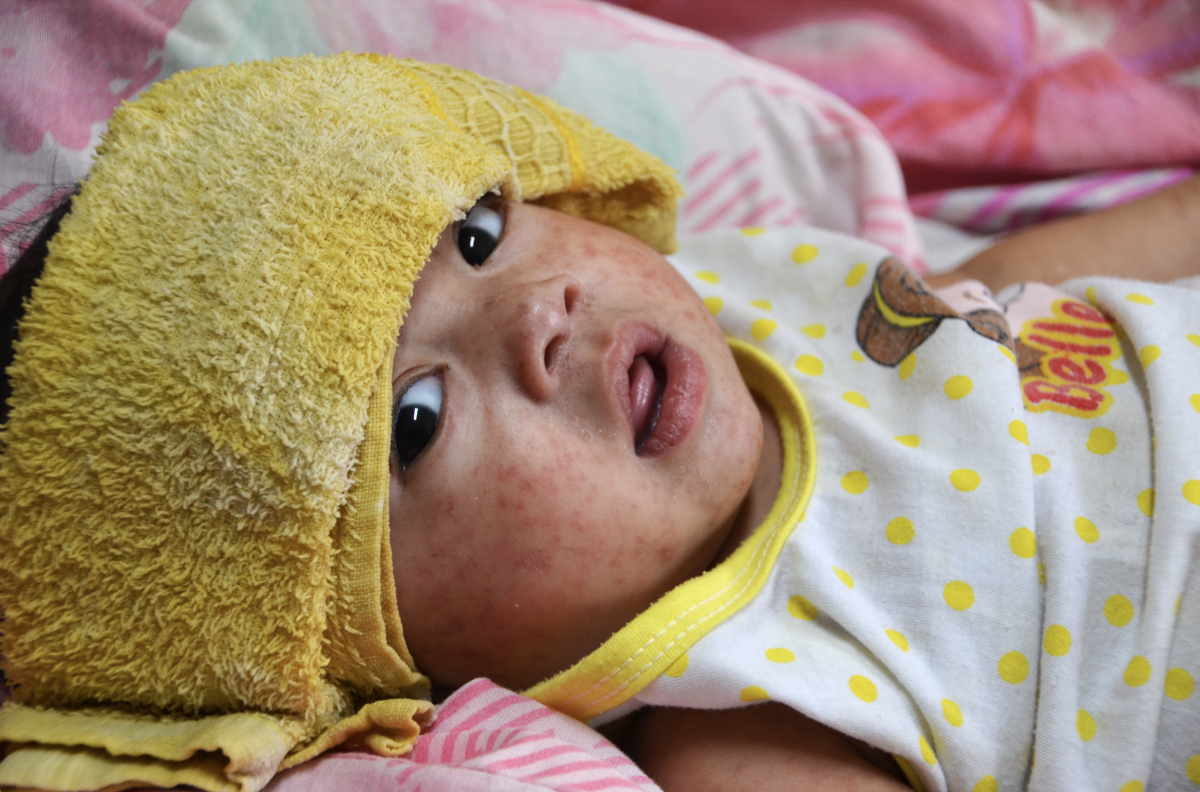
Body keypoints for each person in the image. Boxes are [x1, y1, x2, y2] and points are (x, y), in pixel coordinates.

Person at [0, 53, 1197, 792]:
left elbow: (997, 297)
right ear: (380, 652)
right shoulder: (749, 712)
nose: (538, 312)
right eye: (415, 418)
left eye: (475, 235)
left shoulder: (728, 299)